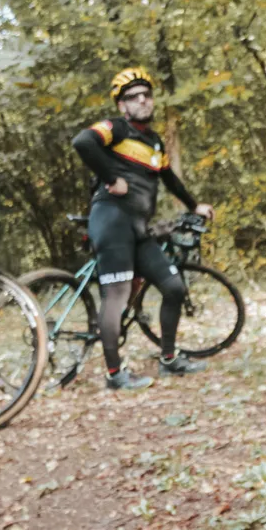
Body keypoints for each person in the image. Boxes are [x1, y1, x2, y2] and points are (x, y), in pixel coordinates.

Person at [72, 68, 215, 391]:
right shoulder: (115, 128)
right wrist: (111, 178)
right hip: (111, 221)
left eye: (146, 95)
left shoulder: (153, 142)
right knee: (118, 295)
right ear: (122, 105)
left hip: (138, 229)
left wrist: (194, 205)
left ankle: (168, 358)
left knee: (174, 287)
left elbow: (169, 178)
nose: (142, 100)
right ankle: (114, 374)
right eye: (133, 97)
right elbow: (82, 142)